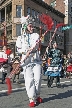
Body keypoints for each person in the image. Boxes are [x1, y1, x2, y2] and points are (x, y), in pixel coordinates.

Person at [16, 15, 42, 107]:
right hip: (26, 61)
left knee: (38, 79)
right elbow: (18, 49)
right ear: (25, 27)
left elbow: (36, 44)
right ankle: (32, 98)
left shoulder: (36, 35)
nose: (32, 28)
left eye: (32, 26)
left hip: (36, 59)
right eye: (30, 26)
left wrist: (33, 47)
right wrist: (24, 52)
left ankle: (37, 94)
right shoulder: (20, 38)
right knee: (29, 80)